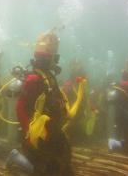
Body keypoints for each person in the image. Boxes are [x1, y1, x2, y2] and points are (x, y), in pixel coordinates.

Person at [6, 32, 85, 176]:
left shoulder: (49, 78)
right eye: (53, 56)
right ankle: (16, 157)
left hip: (53, 130)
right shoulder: (34, 79)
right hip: (39, 136)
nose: (55, 60)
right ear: (48, 58)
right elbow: (20, 108)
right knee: (46, 171)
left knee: (65, 166)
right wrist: (30, 134)